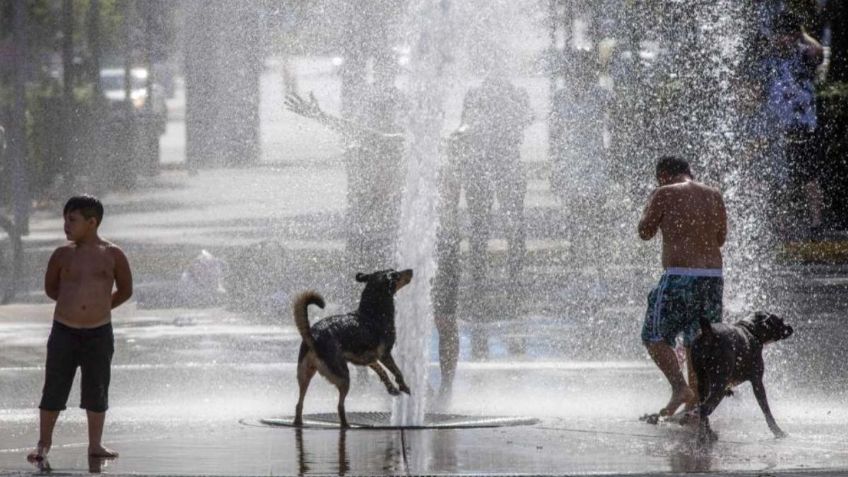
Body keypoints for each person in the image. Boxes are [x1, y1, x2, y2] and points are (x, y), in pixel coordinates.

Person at [28, 195, 133, 461]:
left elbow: (126, 289)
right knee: (54, 387)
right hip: (64, 329)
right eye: (64, 220)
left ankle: (95, 444)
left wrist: (101, 306)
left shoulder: (113, 254)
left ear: (92, 222)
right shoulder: (62, 255)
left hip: (99, 332)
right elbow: (52, 288)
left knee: (97, 387)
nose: (66, 225)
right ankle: (43, 443)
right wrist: (72, 305)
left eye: (72, 220)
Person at [638, 156, 727, 417]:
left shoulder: (663, 192)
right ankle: (695, 404)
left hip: (680, 276)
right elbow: (720, 239)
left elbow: (644, 232)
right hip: (713, 278)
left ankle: (680, 388)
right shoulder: (714, 194)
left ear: (663, 175)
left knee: (653, 336)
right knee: (698, 340)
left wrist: (652, 206)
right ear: (690, 172)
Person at [454, 68, 533, 359]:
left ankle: (513, 279)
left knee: (513, 224)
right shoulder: (476, 94)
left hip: (506, 164)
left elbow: (526, 118)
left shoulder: (515, 94)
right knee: (480, 226)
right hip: (480, 165)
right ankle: (479, 281)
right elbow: (464, 127)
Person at [761, 11, 825, 238]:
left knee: (809, 176)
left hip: (804, 126)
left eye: (787, 35)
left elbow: (819, 52)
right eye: (779, 35)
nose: (782, 39)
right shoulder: (767, 59)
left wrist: (803, 34)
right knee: (780, 178)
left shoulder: (803, 55)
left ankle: (816, 224)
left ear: (794, 35)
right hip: (777, 127)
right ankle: (781, 224)